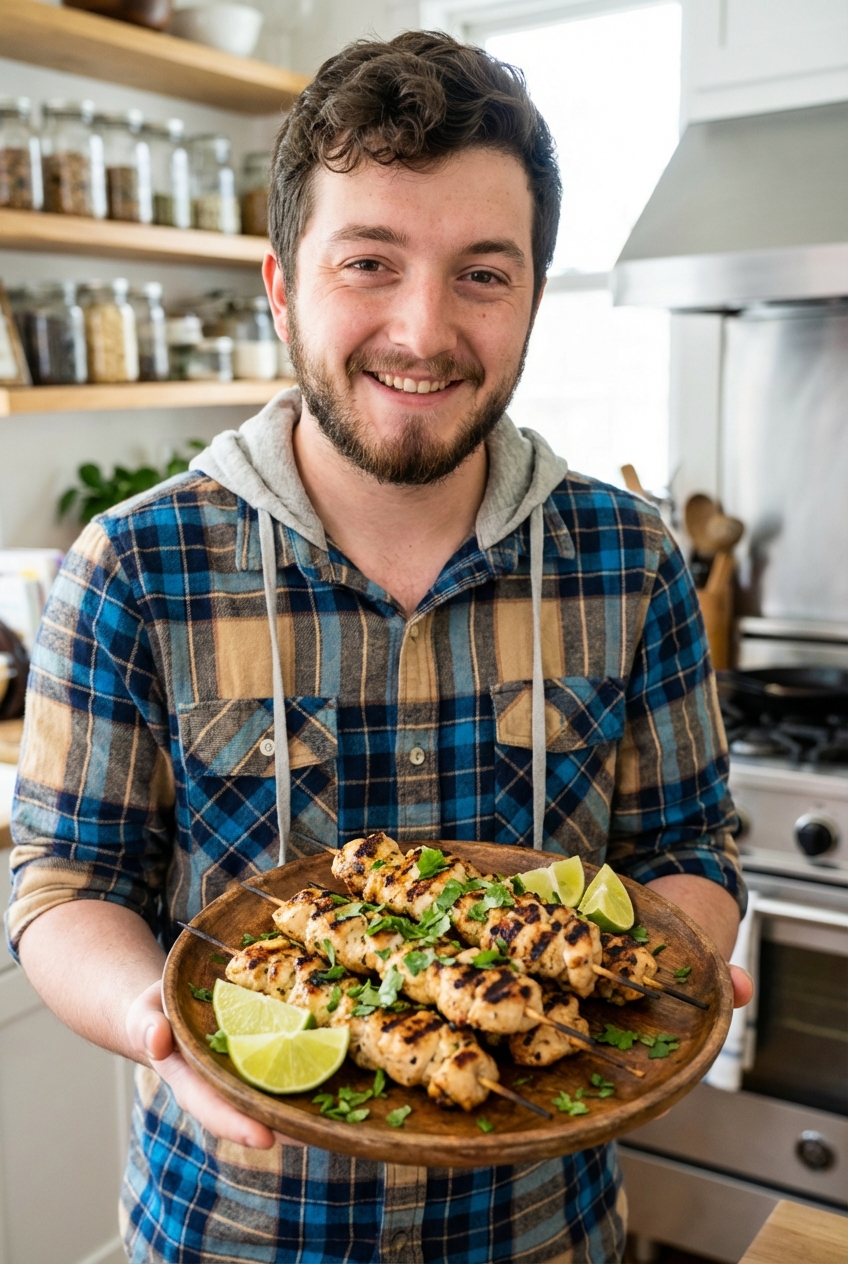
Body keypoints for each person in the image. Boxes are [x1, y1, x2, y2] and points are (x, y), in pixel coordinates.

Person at [6, 30, 752, 1264]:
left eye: (481, 274)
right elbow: (62, 883)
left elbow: (687, 849)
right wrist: (162, 1025)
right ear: (282, 286)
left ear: (530, 297)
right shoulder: (135, 565)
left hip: (544, 1233)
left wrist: (661, 966)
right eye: (369, 262)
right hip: (231, 1233)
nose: (422, 329)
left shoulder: (632, 561)